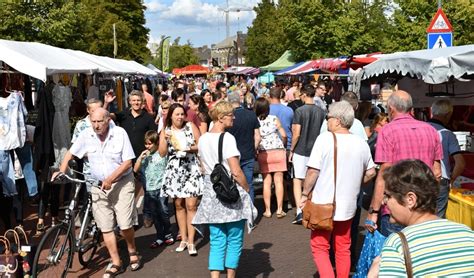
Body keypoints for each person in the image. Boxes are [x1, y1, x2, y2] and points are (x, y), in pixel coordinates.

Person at [53, 108, 142, 277]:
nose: (96, 125)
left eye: (99, 121)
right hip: (98, 185)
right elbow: (70, 154)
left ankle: (132, 249)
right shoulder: (86, 134)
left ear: (108, 120)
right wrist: (61, 171)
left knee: (125, 224)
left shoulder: (120, 133)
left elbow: (128, 162)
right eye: (93, 122)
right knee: (106, 226)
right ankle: (116, 261)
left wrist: (110, 179)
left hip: (122, 183)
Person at [299, 101, 376, 277]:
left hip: (324, 203)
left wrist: (304, 194)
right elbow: (371, 173)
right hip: (348, 204)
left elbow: (312, 172)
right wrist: (356, 182)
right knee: (343, 247)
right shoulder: (361, 142)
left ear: (338, 120)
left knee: (320, 246)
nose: (327, 121)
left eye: (329, 117)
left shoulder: (325, 139)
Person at [372, 159, 474, 277]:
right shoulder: (467, 234)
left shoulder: (397, 245)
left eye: (388, 196)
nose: (384, 202)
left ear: (410, 200)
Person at [193, 100, 257, 278]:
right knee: (235, 238)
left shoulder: (204, 138)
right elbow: (235, 171)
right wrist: (245, 189)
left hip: (211, 192)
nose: (234, 118)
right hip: (229, 193)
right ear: (221, 118)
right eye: (231, 115)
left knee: (217, 239)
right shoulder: (228, 138)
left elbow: (203, 165)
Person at [365, 90, 443, 237]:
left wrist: (373, 211)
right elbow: (437, 173)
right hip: (423, 208)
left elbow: (384, 174)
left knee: (397, 254)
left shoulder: (387, 131)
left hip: (396, 209)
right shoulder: (431, 130)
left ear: (391, 109)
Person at [159, 103, 203, 256]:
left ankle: (191, 240)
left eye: (181, 114)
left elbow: (201, 144)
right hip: (175, 170)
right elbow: (162, 153)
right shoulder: (167, 131)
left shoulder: (190, 126)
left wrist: (189, 148)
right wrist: (164, 138)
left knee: (191, 205)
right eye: (176, 114)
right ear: (170, 115)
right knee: (178, 205)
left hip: (191, 168)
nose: (179, 117)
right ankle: (183, 238)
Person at [289, 85, 325, 224]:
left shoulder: (299, 111)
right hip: (315, 150)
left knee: (297, 179)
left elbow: (296, 133)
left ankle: (300, 211)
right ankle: (311, 208)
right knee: (313, 180)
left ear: (304, 94)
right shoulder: (321, 111)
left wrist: (291, 150)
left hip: (300, 149)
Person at [134, 131, 173, 248]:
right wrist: (140, 158)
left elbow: (167, 147)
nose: (147, 146)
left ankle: (168, 234)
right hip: (149, 189)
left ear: (156, 143)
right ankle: (159, 237)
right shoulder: (145, 156)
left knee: (164, 211)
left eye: (150, 144)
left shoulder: (162, 154)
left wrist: (166, 139)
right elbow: (135, 170)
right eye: (146, 144)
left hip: (161, 188)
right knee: (155, 214)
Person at [428, 100, 465, 218]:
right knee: (437, 218)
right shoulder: (447, 134)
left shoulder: (419, 130)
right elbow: (460, 163)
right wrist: (452, 179)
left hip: (419, 178)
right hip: (440, 180)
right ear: (448, 114)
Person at [255, 97, 288, 218]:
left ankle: (268, 210)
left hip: (264, 152)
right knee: (279, 180)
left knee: (266, 182)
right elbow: (284, 135)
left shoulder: (255, 121)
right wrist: (283, 143)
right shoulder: (274, 119)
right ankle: (279, 209)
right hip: (278, 150)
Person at [226, 91, 261, 201]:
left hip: (232, 155)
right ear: (240, 100)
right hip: (248, 153)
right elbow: (258, 137)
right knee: (249, 184)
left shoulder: (228, 118)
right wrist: (253, 148)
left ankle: (238, 210)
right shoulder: (251, 114)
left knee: (233, 183)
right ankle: (250, 211)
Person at [104, 90, 157, 159]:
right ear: (130, 102)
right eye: (134, 100)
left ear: (142, 102)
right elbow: (104, 116)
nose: (136, 103)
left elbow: (154, 137)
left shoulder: (148, 118)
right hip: (125, 156)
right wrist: (106, 103)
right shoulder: (124, 114)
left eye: (138, 100)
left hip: (142, 157)